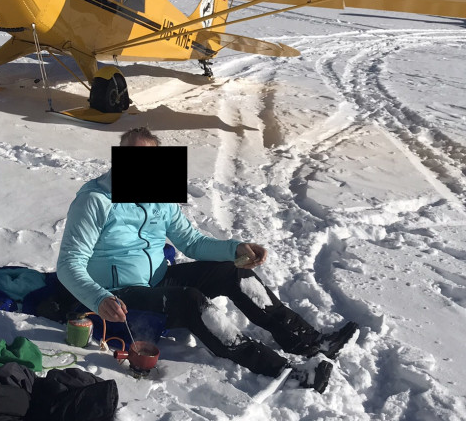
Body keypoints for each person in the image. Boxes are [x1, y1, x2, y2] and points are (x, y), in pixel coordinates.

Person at [55, 127, 356, 392]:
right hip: (118, 296)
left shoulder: (159, 195)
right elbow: (69, 263)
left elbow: (192, 242)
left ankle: (309, 342)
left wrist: (236, 250)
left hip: (157, 280)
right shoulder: (95, 200)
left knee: (231, 273)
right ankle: (284, 371)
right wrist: (98, 299)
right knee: (191, 300)